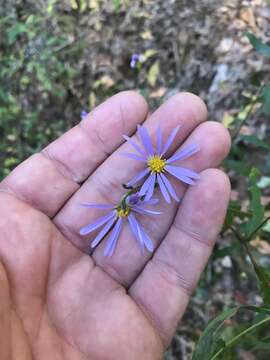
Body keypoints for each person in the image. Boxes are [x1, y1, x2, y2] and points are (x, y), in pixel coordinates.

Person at [0, 91, 231, 359]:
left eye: (158, 163)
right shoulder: (134, 193)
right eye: (155, 163)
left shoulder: (148, 179)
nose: (157, 163)